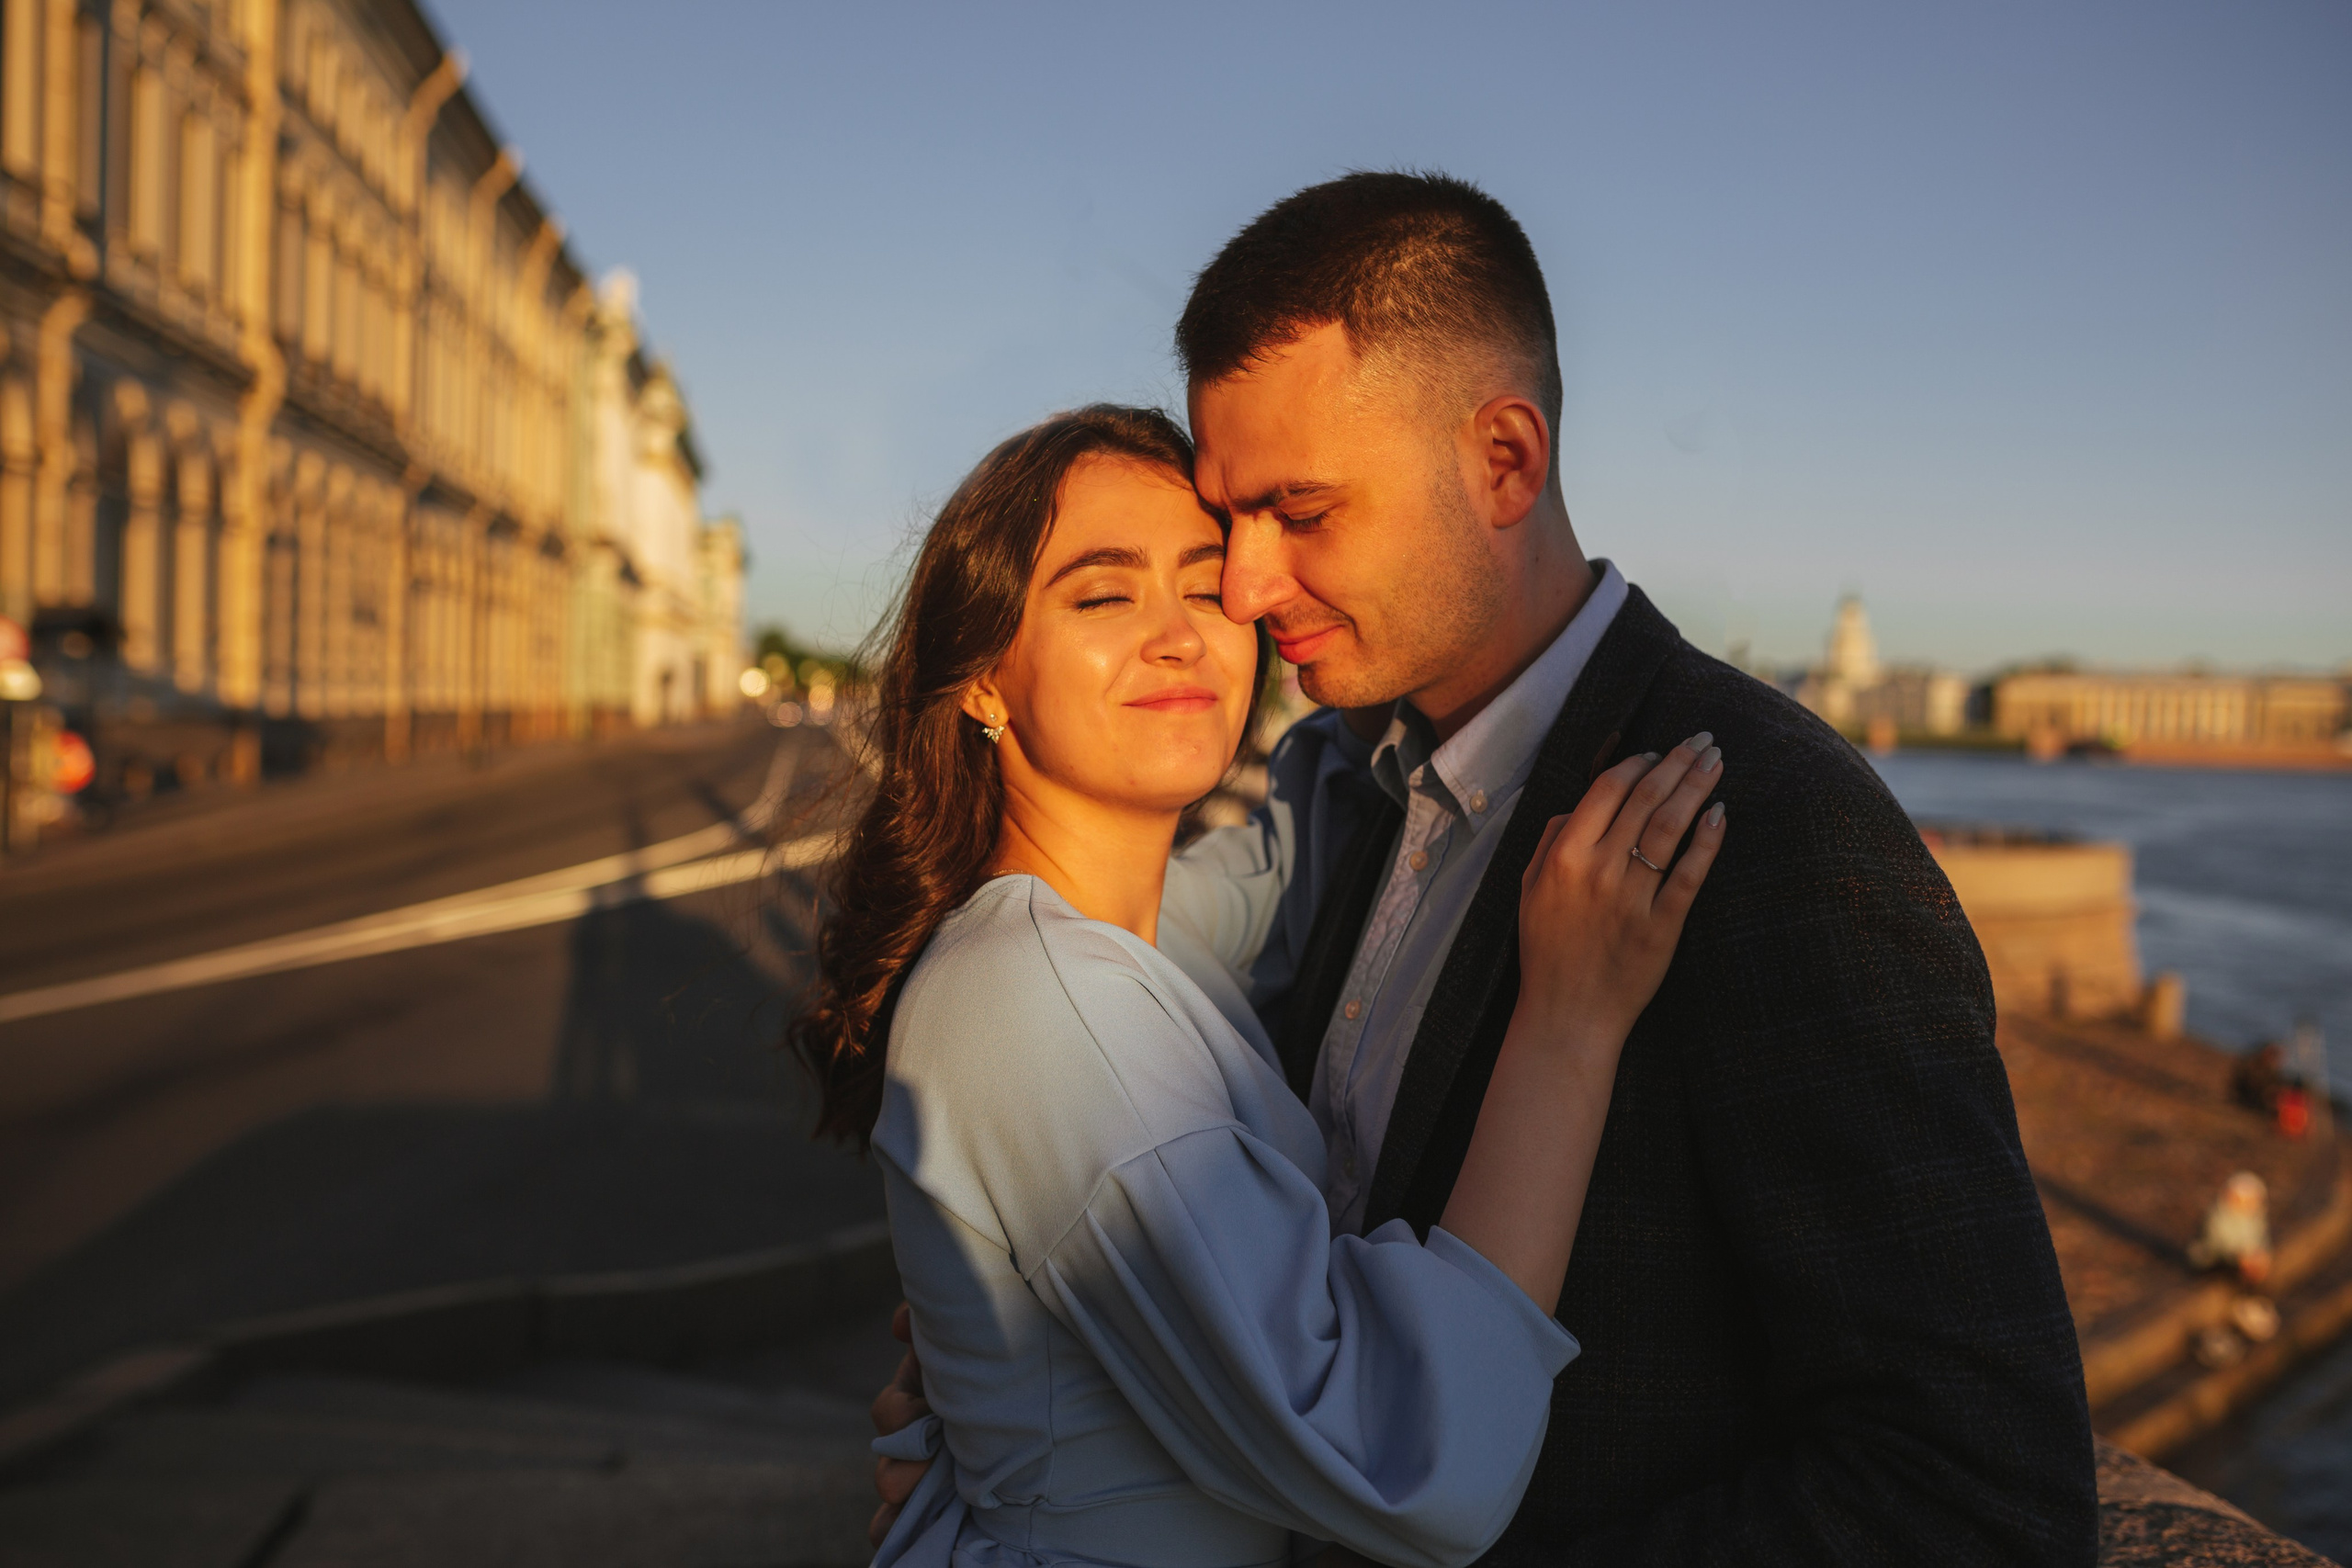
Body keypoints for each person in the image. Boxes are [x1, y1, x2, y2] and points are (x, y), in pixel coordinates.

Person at [878, 173, 2098, 1564]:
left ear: (1504, 462)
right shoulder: (1350, 794)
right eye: (1237, 526)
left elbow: (1981, 1499)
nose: (1251, 587)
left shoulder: (1767, 831)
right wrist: (1021, 1388)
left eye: (1302, 512)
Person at [797, 404, 1729, 1567]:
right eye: (1102, 594)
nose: (1179, 637)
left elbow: (1315, 801)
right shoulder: (1041, 1001)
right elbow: (1397, 1456)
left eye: (1206, 588)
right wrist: (1569, 1026)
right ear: (982, 681)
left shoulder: (1138, 938)